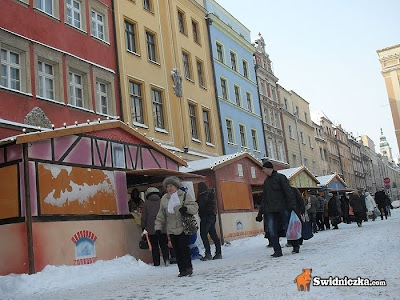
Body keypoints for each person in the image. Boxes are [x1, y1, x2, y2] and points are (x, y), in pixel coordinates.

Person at [154, 176, 198, 277]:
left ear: (176, 186)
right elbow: (161, 214)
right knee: (176, 250)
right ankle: (181, 270)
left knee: (184, 248)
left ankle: (188, 268)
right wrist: (158, 227)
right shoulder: (164, 199)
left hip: (183, 227)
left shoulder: (184, 195)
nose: (169, 188)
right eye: (167, 186)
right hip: (171, 229)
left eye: (171, 186)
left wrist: (186, 208)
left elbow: (195, 207)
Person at [260, 161, 298, 257]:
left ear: (269, 168)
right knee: (271, 230)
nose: (262, 170)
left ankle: (295, 245)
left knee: (288, 227)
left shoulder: (281, 178)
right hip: (270, 210)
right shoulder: (266, 182)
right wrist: (260, 213)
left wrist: (293, 206)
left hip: (283, 207)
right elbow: (264, 198)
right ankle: (277, 251)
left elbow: (288, 192)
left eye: (264, 168)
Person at [141, 187, 169, 266]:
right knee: (164, 245)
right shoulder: (162, 201)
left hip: (151, 228)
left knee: (154, 246)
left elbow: (144, 216)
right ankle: (166, 259)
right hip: (162, 226)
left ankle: (156, 262)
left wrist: (143, 226)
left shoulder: (146, 203)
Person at [196, 182, 222, 261]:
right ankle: (218, 253)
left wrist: (194, 204)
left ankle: (208, 253)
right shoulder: (210, 193)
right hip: (212, 215)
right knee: (213, 234)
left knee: (203, 235)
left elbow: (201, 205)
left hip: (205, 216)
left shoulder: (202, 195)